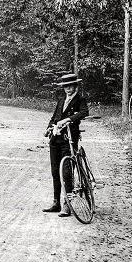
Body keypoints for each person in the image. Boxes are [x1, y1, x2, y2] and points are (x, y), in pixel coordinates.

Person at [43, 72, 89, 217]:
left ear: (76, 86)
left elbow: (83, 113)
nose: (68, 89)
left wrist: (68, 120)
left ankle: (66, 204)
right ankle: (56, 202)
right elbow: (54, 118)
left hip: (69, 140)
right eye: (65, 87)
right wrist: (49, 128)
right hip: (56, 139)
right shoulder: (61, 101)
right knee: (55, 171)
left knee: (66, 172)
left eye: (70, 86)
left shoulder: (80, 100)